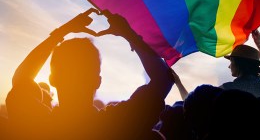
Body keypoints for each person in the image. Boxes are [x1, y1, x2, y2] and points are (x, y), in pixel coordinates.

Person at [6, 8, 174, 140]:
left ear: (53, 79)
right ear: (97, 81)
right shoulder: (117, 126)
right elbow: (163, 79)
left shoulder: (39, 125)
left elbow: (21, 78)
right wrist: (129, 34)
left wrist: (61, 32)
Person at [219, 30, 260, 102]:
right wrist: (259, 44)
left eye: (231, 62)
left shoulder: (225, 90)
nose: (229, 66)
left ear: (238, 64)